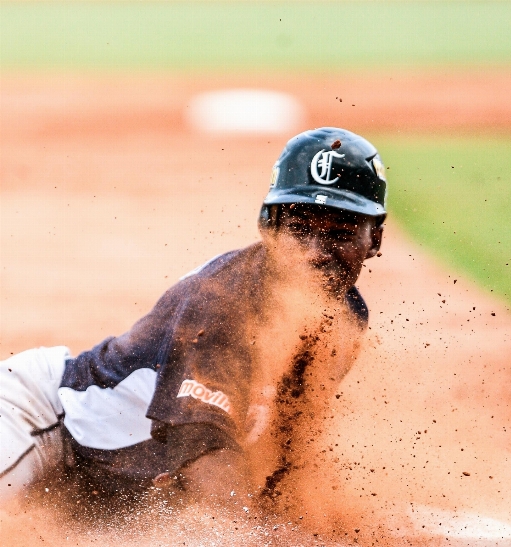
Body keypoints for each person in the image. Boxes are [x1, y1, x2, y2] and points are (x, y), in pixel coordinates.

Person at [0, 127, 386, 506]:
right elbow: (206, 458)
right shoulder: (221, 304)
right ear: (269, 226)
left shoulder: (345, 318)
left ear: (375, 240)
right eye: (299, 230)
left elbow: (284, 446)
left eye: (341, 233)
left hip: (103, 480)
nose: (316, 252)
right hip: (45, 424)